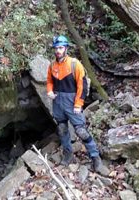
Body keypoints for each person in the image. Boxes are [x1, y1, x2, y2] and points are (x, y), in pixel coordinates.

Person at [46, 35, 109, 175]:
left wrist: (78, 104)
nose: (58, 50)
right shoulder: (52, 65)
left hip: (72, 102)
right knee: (62, 129)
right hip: (58, 102)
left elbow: (83, 85)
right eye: (56, 48)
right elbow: (49, 81)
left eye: (61, 48)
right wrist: (49, 91)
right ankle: (68, 154)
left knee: (81, 131)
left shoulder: (75, 64)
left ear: (66, 48)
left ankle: (95, 157)